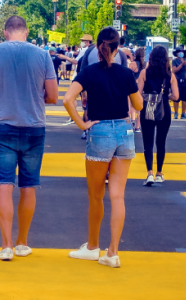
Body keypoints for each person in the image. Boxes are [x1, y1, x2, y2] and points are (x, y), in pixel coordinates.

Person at [0, 15, 58, 261]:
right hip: (34, 127)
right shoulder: (42, 55)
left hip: (3, 126)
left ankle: (6, 244)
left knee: (4, 183)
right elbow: (53, 96)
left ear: (4, 31)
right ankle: (23, 241)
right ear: (26, 31)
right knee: (29, 185)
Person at [62, 27, 143, 268]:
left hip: (99, 132)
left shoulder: (88, 72)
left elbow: (68, 99)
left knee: (96, 195)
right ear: (119, 47)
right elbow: (137, 104)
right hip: (124, 131)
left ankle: (92, 246)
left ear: (97, 47)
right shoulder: (126, 73)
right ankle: (113, 252)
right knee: (117, 196)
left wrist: (81, 124)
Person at [137, 45, 179, 186]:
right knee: (161, 142)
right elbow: (176, 96)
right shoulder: (170, 75)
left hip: (147, 109)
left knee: (147, 143)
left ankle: (149, 173)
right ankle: (159, 173)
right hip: (164, 111)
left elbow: (137, 93)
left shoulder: (144, 73)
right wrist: (165, 96)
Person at [171, 48, 186, 119]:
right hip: (177, 80)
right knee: (176, 97)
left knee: (185, 98)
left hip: (185, 80)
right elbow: (174, 70)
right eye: (179, 52)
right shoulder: (174, 61)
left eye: (182, 52)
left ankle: (183, 113)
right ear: (176, 53)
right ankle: (176, 113)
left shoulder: (185, 60)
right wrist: (182, 64)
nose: (181, 53)